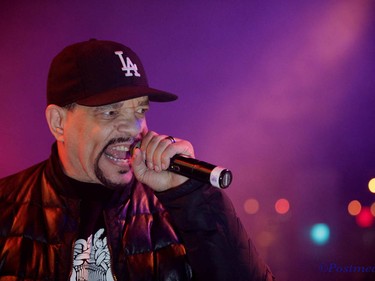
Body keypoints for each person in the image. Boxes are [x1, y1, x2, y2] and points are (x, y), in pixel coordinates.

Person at [0, 39, 274, 281]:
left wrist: (191, 197)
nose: (134, 129)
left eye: (140, 110)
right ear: (58, 122)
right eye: (110, 113)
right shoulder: (6, 206)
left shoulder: (176, 207)